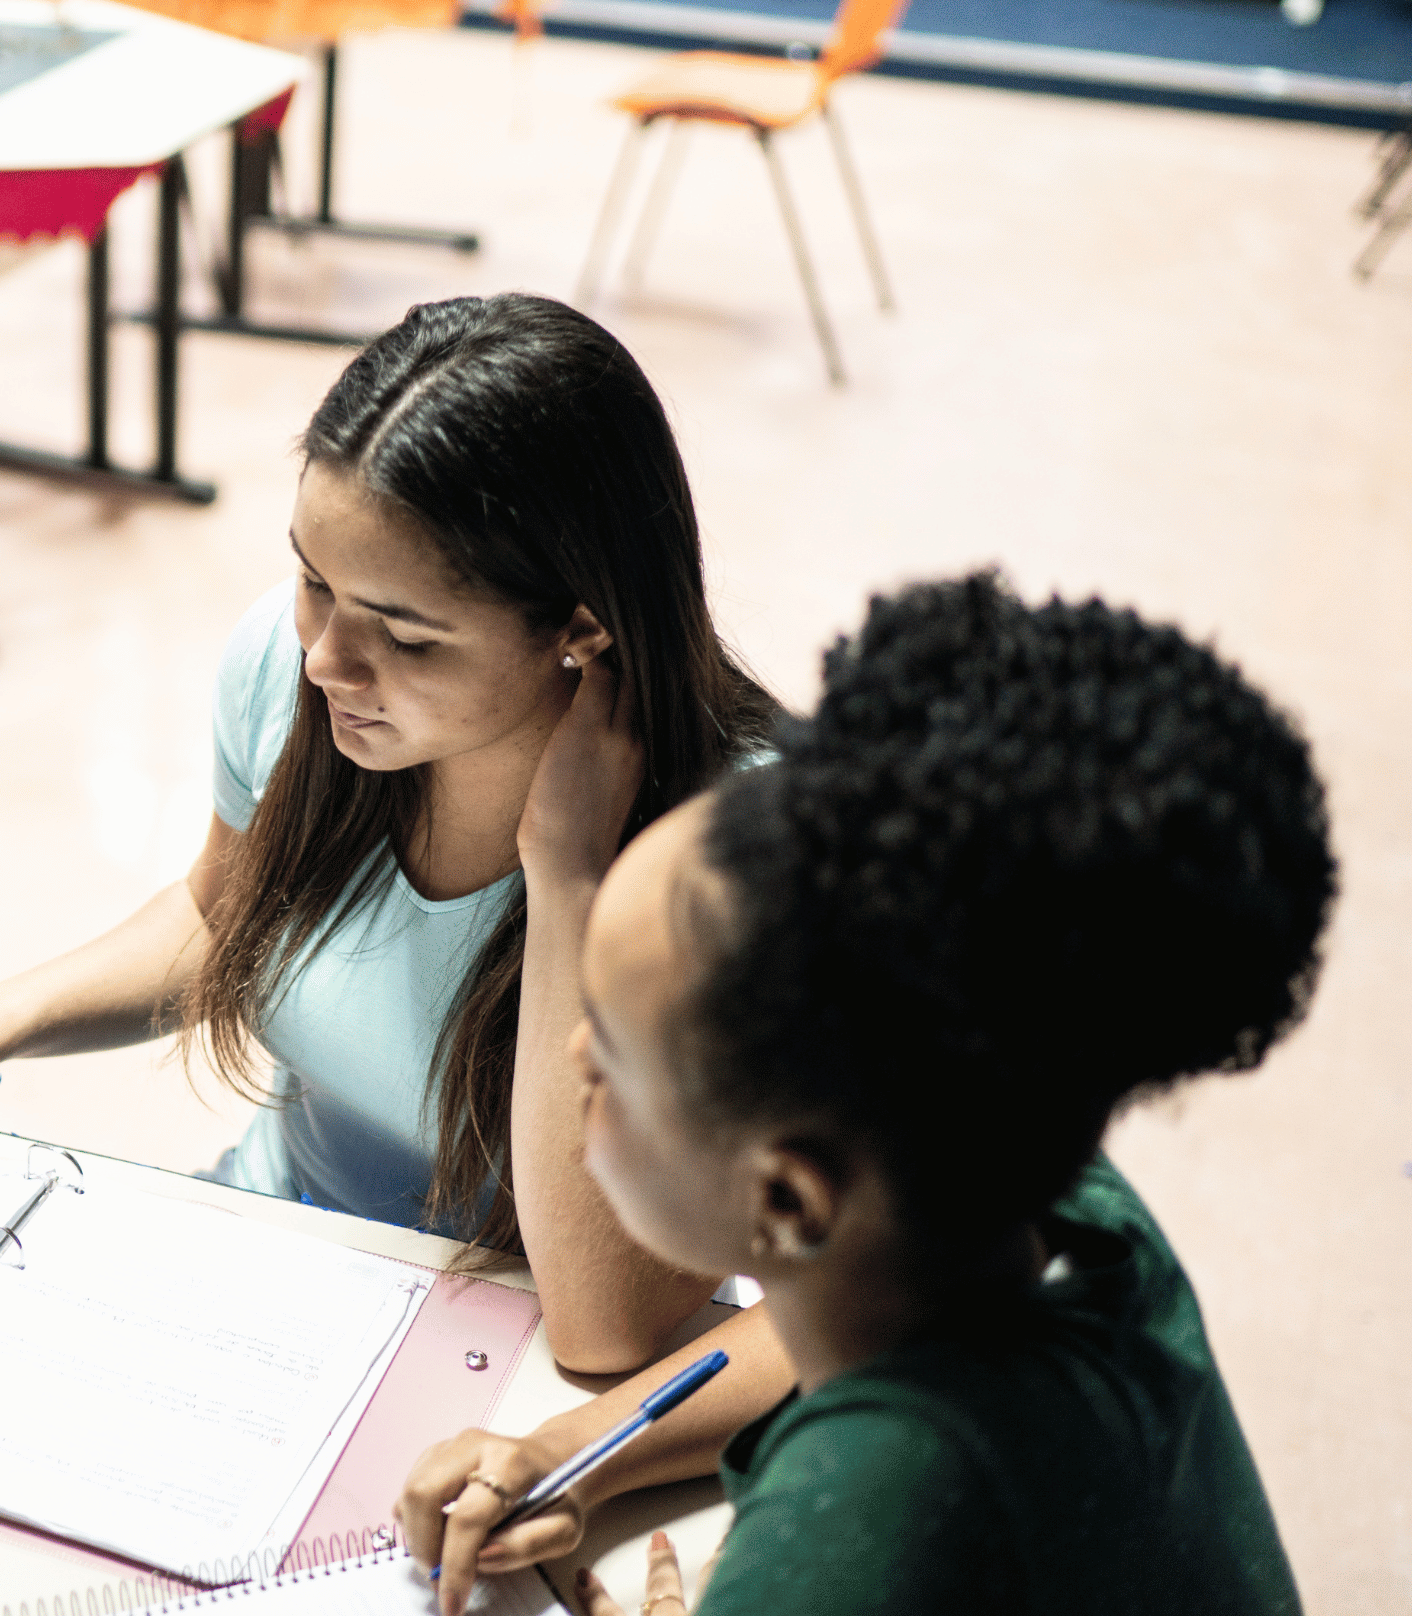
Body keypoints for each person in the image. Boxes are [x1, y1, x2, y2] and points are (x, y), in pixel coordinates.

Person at [0, 294, 777, 1372]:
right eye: (312, 580)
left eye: (403, 634)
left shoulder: (737, 849)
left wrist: (570, 878)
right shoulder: (291, 676)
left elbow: (603, 1322)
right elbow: (227, 910)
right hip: (277, 1252)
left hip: (513, 1357)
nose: (327, 660)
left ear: (582, 627)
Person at [407, 573, 1327, 1616]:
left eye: (613, 1054)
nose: (573, 1057)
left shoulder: (857, 1523)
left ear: (790, 1200)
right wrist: (572, 1448)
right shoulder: (1036, 1194)